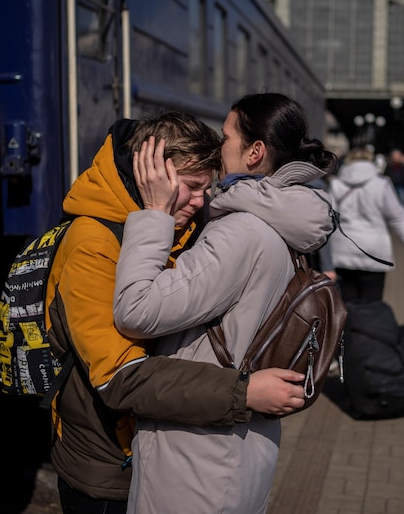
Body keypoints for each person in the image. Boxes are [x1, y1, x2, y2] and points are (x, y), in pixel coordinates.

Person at [46, 113, 306, 514]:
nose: (203, 202)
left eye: (208, 188)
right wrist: (244, 391)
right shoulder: (91, 243)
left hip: (159, 453)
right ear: (153, 175)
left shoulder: (181, 221)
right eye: (192, 188)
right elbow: (122, 379)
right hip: (109, 467)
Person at [112, 93, 337, 514]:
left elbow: (136, 310)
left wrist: (155, 214)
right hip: (239, 448)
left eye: (226, 135)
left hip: (197, 460)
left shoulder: (241, 233)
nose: (219, 145)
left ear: (254, 152)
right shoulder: (282, 230)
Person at [327, 147, 404, 304]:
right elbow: (397, 217)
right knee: (372, 303)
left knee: (346, 303)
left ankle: (349, 328)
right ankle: (369, 328)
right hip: (374, 252)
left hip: (343, 249)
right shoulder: (382, 184)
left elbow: (329, 217)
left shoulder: (337, 184)